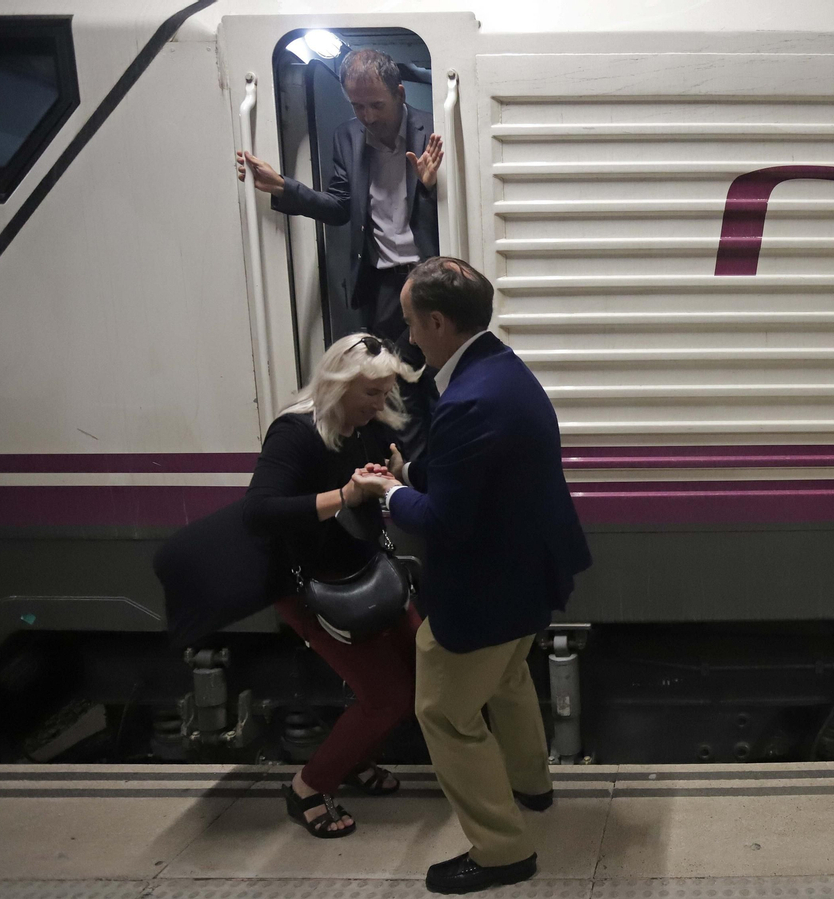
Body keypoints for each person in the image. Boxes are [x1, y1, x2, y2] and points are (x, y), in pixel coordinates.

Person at [352, 257, 592, 893]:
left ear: (437, 322)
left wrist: (383, 492)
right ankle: (530, 788)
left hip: (484, 586)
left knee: (445, 712)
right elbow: (480, 483)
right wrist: (411, 475)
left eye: (410, 324)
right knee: (509, 680)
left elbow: (443, 522)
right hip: (527, 571)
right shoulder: (502, 371)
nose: (406, 338)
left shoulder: (468, 400)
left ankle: (500, 851)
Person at [241, 333, 425, 839]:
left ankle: (354, 761)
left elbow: (368, 487)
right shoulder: (294, 432)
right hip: (311, 585)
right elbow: (259, 512)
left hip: (366, 574)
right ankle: (308, 787)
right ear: (336, 385)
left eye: (386, 391)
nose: (380, 403)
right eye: (370, 393)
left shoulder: (367, 428)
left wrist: (384, 477)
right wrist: (345, 494)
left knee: (421, 677)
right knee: (387, 698)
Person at [235, 47, 442, 452]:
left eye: (376, 104)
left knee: (437, 380)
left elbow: (460, 205)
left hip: (429, 278)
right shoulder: (347, 136)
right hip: (382, 283)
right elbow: (339, 206)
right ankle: (409, 480)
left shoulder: (434, 129)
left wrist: (432, 188)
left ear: (400, 93)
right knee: (393, 386)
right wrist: (283, 186)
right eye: (357, 105)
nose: (367, 115)